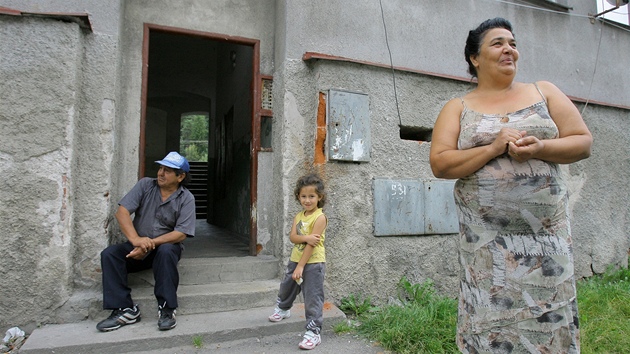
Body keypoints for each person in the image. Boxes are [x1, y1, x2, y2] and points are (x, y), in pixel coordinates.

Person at [429, 17, 592, 353]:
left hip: (546, 247)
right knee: (492, 328)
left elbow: (583, 142)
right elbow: (441, 163)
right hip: (487, 250)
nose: (509, 50)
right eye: (498, 43)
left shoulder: (543, 91)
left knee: (549, 328)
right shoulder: (457, 107)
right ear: (475, 58)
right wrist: (492, 147)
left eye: (513, 43)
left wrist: (542, 147)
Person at [96, 151, 196, 332]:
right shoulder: (145, 185)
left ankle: (167, 309)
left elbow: (181, 233)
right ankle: (125, 309)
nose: (161, 173)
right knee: (110, 254)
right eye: (160, 168)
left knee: (167, 251)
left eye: (167, 170)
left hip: (163, 249)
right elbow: (122, 212)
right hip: (138, 245)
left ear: (180, 176)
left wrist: (149, 244)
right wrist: (136, 241)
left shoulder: (186, 198)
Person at [268, 173, 328, 350]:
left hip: (313, 263)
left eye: (311, 196)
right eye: (303, 196)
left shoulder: (319, 217)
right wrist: (306, 237)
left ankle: (313, 332)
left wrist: (301, 266)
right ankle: (283, 309)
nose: (307, 200)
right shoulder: (299, 216)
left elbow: (312, 245)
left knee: (312, 297)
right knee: (287, 285)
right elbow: (293, 237)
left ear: (319, 197)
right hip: (295, 259)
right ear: (298, 197)